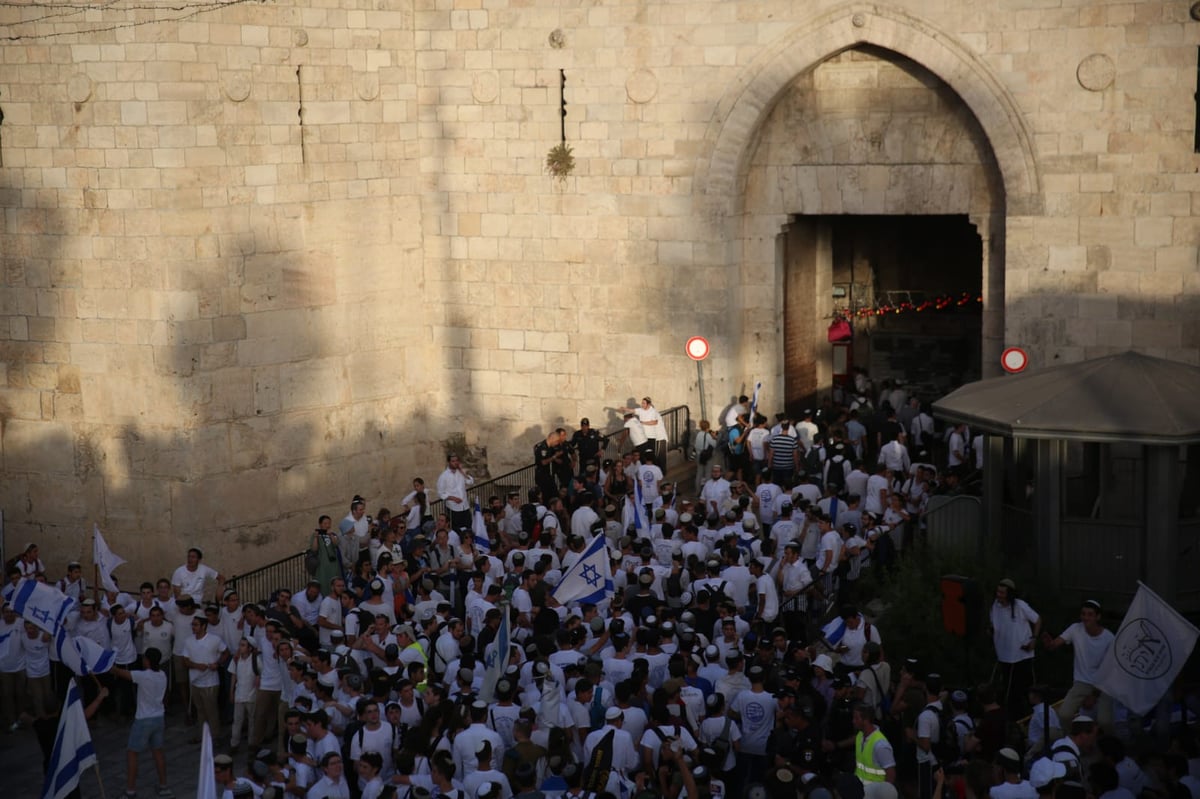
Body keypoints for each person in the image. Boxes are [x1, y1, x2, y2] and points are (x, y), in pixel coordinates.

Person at [110, 647, 173, 799]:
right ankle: (164, 787)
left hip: (143, 720)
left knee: (132, 753)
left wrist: (108, 663)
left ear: (148, 661)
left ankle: (130, 790)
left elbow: (119, 672)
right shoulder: (162, 675)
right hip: (159, 718)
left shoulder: (143, 676)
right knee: (158, 752)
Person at [1041, 600, 1114, 731]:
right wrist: (1049, 644)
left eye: (1090, 614)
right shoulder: (1075, 628)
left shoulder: (1109, 638)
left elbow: (1109, 670)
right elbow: (1055, 644)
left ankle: (1104, 747)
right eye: (1083, 614)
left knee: (1105, 722)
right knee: (1064, 715)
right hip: (1081, 682)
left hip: (1103, 685)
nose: (1086, 618)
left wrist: (1093, 695)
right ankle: (1073, 741)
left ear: (1098, 617)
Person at [989, 578, 1040, 716]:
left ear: (1009, 594)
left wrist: (1033, 639)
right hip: (1004, 656)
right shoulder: (995, 605)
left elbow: (1037, 619)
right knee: (1007, 692)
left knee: (1026, 691)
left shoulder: (1020, 605)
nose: (999, 595)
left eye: (1002, 593)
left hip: (1022, 656)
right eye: (998, 592)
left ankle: (1030, 718)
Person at [852, 703, 896, 784]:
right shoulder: (860, 736)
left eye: (856, 718)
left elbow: (890, 774)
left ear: (866, 720)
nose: (853, 721)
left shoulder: (880, 745)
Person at [437, 454, 476, 532]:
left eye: (457, 461)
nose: (456, 463)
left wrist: (462, 471)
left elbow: (470, 482)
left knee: (468, 528)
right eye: (453, 461)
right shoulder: (444, 476)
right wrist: (453, 498)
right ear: (449, 462)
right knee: (457, 530)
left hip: (465, 506)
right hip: (453, 508)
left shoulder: (460, 473)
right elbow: (440, 493)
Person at [309, 516, 342, 595]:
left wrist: (330, 536)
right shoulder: (315, 535)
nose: (327, 525)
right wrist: (316, 538)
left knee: (334, 581)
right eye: (325, 523)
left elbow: (336, 544)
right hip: (322, 565)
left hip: (333, 564)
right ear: (320, 524)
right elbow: (314, 549)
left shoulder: (333, 534)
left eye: (329, 523)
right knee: (323, 582)